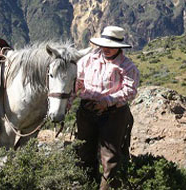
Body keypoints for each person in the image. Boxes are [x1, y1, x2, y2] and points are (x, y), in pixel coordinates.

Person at [69, 26, 140, 190]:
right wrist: (69, 101)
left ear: (119, 47)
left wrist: (107, 101)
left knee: (110, 156)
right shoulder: (88, 60)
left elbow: (130, 90)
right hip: (87, 111)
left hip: (113, 114)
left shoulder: (127, 67)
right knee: (84, 151)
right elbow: (76, 83)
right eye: (104, 45)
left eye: (111, 46)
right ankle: (86, 184)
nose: (106, 49)